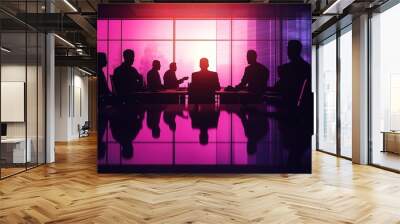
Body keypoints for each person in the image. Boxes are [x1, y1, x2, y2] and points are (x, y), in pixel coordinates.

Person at [275, 40, 312, 133]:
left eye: (288, 50)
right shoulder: (307, 68)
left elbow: (279, 88)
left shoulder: (284, 69)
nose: (287, 52)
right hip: (302, 114)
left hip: (288, 112)